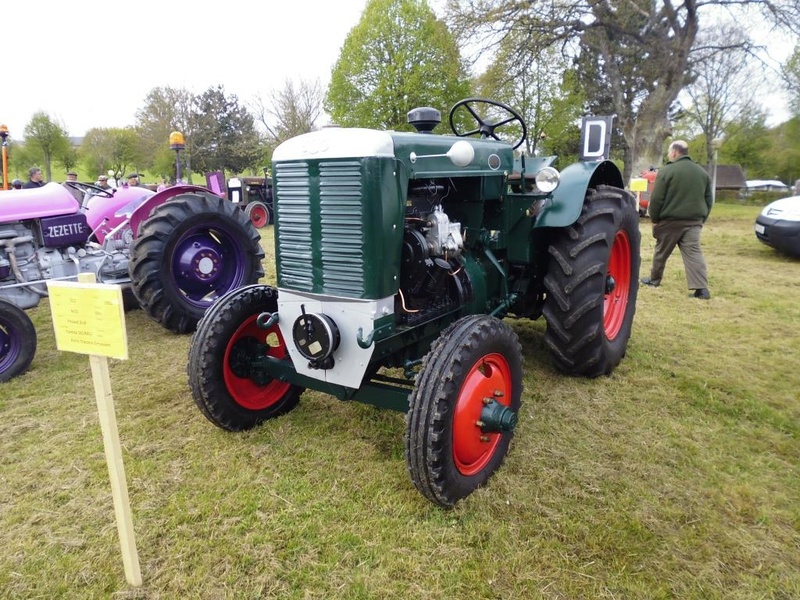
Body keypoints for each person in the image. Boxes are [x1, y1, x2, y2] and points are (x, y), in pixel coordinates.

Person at [641, 140, 713, 299]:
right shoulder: (702, 173)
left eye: (669, 151)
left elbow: (657, 198)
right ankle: (701, 290)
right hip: (694, 221)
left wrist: (654, 218)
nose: (668, 154)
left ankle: (654, 280)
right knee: (694, 253)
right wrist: (702, 218)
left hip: (670, 221)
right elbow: (709, 199)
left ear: (675, 152)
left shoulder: (668, 171)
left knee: (661, 252)